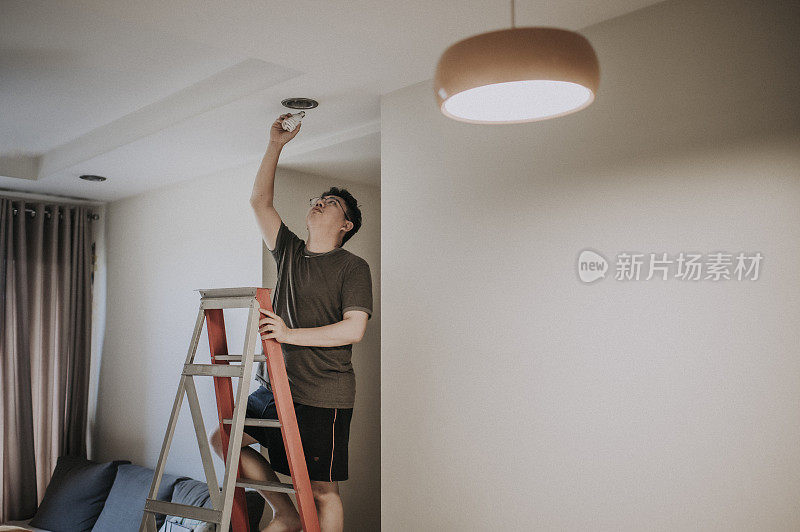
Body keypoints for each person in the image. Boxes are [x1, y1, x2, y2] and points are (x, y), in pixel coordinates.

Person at [209, 113, 372, 532]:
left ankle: (298, 515)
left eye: (331, 203)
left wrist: (288, 334)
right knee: (224, 440)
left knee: (322, 491)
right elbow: (259, 202)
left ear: (345, 225)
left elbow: (354, 329)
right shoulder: (290, 252)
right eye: (318, 198)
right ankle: (285, 513)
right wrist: (275, 145)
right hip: (277, 387)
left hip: (324, 395)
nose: (319, 201)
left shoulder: (352, 267)